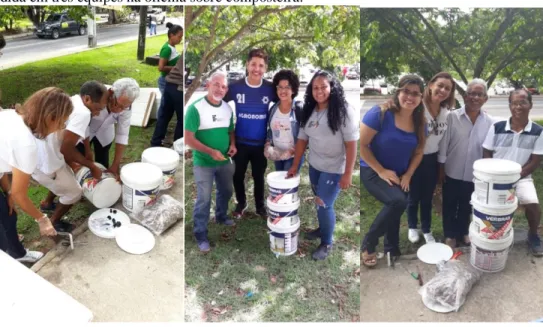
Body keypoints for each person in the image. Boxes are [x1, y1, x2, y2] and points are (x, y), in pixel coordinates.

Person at [287, 70, 359, 260]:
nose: (319, 91)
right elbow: (302, 139)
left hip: (334, 169)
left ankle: (327, 243)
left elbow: (351, 145)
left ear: (332, 88)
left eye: (323, 87)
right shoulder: (310, 109)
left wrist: (348, 174)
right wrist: (295, 165)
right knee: (320, 201)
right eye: (315, 88)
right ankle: (323, 228)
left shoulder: (344, 111)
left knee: (324, 205)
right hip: (315, 166)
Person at [360, 75, 427, 267]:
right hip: (373, 170)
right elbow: (363, 146)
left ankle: (392, 247)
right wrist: (380, 171)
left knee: (395, 204)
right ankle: (369, 242)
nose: (410, 97)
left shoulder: (420, 123)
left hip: (400, 174)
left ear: (421, 98)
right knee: (398, 201)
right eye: (406, 91)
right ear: (398, 92)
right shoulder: (379, 113)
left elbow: (419, 151)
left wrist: (408, 175)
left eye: (415, 93)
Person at [0, 87, 73, 262]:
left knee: (8, 214)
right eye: (62, 121)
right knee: (1, 245)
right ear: (50, 118)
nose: (62, 127)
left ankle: (18, 254)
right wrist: (42, 219)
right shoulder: (26, 145)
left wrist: (8, 192)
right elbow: (20, 194)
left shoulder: (12, 115)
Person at [33, 81, 109, 233]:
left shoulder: (74, 100)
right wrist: (92, 166)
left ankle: (47, 203)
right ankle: (54, 222)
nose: (99, 112)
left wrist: (87, 149)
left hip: (41, 155)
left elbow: (81, 129)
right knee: (74, 192)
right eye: (98, 108)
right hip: (47, 162)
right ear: (87, 99)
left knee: (66, 177)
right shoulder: (83, 112)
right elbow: (66, 149)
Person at [483, 89, 543, 256]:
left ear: (530, 105)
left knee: (533, 204)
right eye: (514, 103)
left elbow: (535, 161)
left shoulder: (538, 131)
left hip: (522, 177)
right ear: (510, 105)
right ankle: (489, 236)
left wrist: (514, 177)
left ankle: (533, 235)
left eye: (522, 102)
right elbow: (486, 152)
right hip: (495, 177)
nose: (518, 106)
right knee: (490, 208)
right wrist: (494, 174)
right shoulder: (497, 127)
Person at [438, 79, 494, 249]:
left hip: (474, 174)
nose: (475, 97)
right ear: (464, 96)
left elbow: (489, 149)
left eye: (479, 94)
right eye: (471, 93)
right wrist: (441, 169)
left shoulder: (489, 122)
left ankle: (463, 231)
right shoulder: (451, 117)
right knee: (449, 204)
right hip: (451, 171)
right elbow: (443, 145)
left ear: (485, 98)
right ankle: (449, 234)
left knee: (466, 204)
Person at [185, 72, 237, 253]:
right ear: (208, 84)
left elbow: (230, 130)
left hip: (224, 160)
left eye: (223, 87)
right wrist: (210, 152)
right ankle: (200, 234)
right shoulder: (195, 109)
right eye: (216, 84)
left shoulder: (227, 109)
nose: (220, 89)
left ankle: (221, 216)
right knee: (204, 198)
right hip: (204, 162)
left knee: (227, 190)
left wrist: (232, 144)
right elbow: (188, 140)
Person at [225, 49, 278, 219]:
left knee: (258, 176)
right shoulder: (235, 87)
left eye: (261, 65)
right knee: (237, 175)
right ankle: (241, 203)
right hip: (240, 142)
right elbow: (218, 103)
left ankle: (260, 206)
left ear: (266, 68)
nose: (257, 68)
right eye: (253, 64)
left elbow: (284, 105)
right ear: (247, 65)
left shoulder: (270, 89)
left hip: (260, 143)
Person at [407, 72, 456, 244]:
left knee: (427, 196)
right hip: (413, 157)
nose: (442, 90)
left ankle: (427, 229)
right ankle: (412, 226)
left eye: (447, 89)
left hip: (432, 159)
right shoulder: (418, 106)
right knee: (413, 196)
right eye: (440, 85)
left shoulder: (446, 112)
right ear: (431, 85)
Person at [77, 78, 140, 176]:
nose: (120, 110)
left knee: (103, 165)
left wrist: (115, 164)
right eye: (118, 104)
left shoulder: (126, 107)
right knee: (81, 165)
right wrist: (87, 149)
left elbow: (122, 134)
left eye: (124, 107)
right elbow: (83, 122)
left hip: (104, 136)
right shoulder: (96, 95)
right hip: (83, 133)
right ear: (111, 93)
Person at [265, 69, 304, 171]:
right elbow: (270, 130)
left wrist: (293, 151)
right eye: (280, 87)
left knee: (287, 185)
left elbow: (306, 135)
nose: (283, 91)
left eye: (287, 87)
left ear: (293, 90)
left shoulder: (299, 109)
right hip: (277, 155)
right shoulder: (273, 109)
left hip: (293, 157)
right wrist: (268, 144)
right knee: (280, 184)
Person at [150, 50, 184, 147]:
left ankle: (155, 143)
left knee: (164, 116)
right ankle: (178, 147)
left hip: (170, 84)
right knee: (181, 120)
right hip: (178, 87)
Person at [157, 23, 183, 97]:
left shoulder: (172, 47)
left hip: (171, 81)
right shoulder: (167, 49)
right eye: (179, 37)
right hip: (165, 81)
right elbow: (161, 68)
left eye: (181, 37)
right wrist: (176, 68)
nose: (180, 39)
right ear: (171, 35)